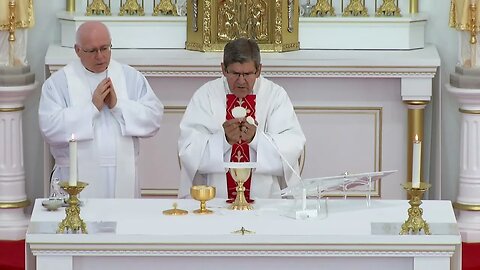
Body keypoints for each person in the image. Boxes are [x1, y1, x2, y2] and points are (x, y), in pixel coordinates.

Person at [39, 21, 164, 198]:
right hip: (74, 179)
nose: (100, 56)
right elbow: (48, 128)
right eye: (92, 50)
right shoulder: (58, 83)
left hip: (123, 174)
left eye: (105, 48)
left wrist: (118, 106)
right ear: (77, 50)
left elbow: (154, 118)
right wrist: (91, 109)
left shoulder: (131, 77)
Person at [178, 38, 305, 200]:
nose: (241, 81)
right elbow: (188, 151)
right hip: (215, 201)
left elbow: (292, 148)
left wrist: (256, 139)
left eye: (247, 74)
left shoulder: (275, 96)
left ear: (259, 70)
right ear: (223, 69)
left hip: (266, 201)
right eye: (235, 73)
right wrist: (223, 140)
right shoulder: (206, 96)